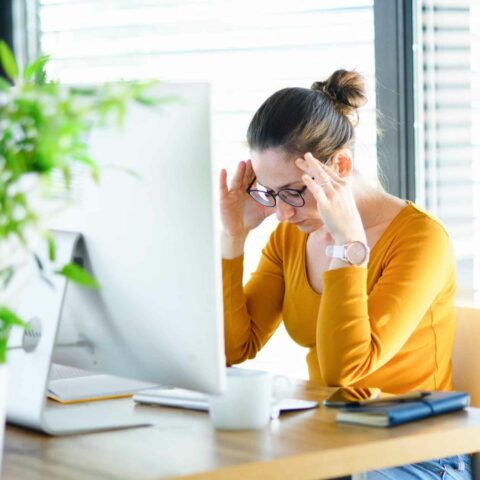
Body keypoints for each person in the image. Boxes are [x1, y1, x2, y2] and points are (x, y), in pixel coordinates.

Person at [219, 69, 471, 479]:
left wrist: (348, 245)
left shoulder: (421, 239)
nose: (282, 213)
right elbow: (233, 349)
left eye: (294, 192)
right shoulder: (290, 235)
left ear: (339, 165)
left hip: (417, 455)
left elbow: (346, 371)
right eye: (270, 192)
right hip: (329, 441)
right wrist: (233, 238)